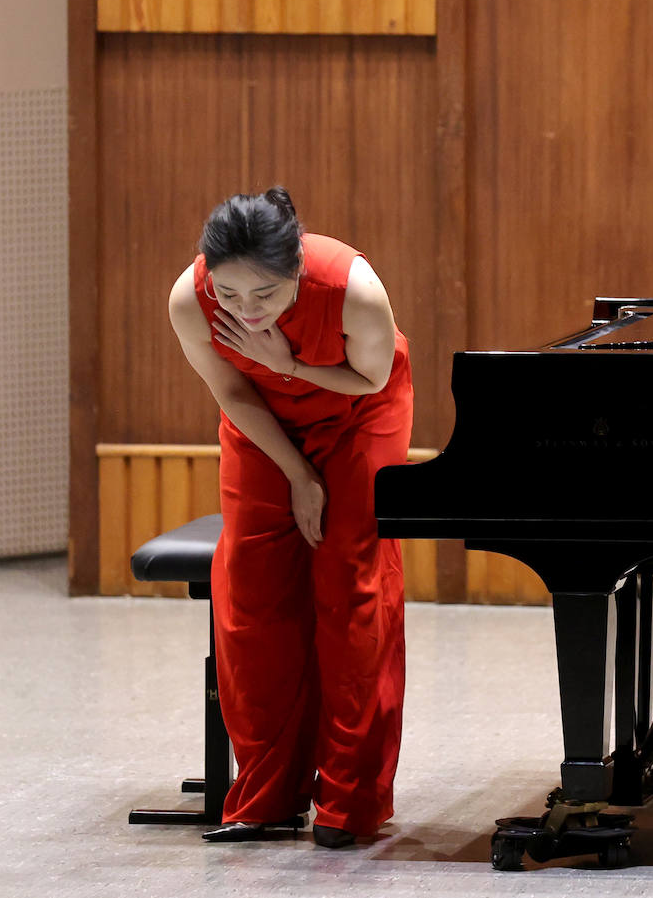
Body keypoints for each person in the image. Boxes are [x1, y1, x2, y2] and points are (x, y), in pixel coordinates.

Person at [167, 187, 414, 848]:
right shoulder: (190, 299)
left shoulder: (352, 288)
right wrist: (298, 474)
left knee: (351, 589)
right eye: (230, 293)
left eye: (265, 296)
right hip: (263, 421)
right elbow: (231, 390)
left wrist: (293, 362)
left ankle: (348, 800)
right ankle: (268, 793)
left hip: (360, 413)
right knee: (249, 592)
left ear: (298, 271)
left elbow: (371, 376)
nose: (245, 310)